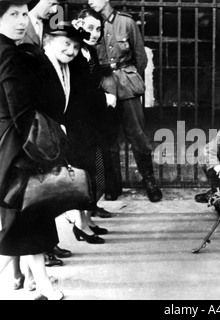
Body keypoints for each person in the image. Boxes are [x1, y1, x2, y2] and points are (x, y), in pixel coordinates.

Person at [0, 0, 65, 299]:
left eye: (24, 14)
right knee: (30, 215)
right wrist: (45, 141)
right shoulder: (9, 54)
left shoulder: (10, 50)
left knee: (20, 215)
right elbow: (21, 111)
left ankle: (30, 280)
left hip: (7, 143)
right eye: (13, 14)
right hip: (18, 145)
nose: (21, 20)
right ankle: (43, 286)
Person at [88, 0, 162, 203]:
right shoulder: (89, 21)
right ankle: (114, 185)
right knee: (109, 137)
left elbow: (140, 57)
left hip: (127, 83)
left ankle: (149, 181)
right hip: (103, 85)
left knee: (137, 135)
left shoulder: (126, 22)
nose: (89, 1)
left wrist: (130, 78)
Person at [19, 0, 72, 267]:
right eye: (52, 2)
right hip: (29, 127)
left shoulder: (44, 25)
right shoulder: (21, 27)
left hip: (46, 124)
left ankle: (48, 246)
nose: (55, 9)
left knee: (44, 192)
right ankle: (22, 269)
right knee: (28, 199)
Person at [63, 8, 117, 242]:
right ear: (78, 24)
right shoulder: (73, 55)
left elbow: (92, 85)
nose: (95, 33)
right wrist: (103, 97)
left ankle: (87, 219)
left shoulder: (89, 52)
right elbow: (78, 91)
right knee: (81, 170)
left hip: (91, 121)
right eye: (91, 28)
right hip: (76, 122)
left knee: (91, 170)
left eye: (99, 29)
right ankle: (79, 224)